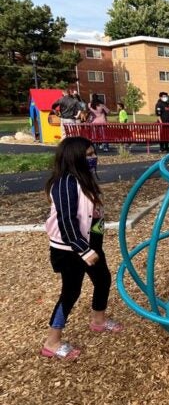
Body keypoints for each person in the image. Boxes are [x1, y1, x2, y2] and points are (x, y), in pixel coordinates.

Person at [41, 137, 123, 360]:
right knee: (71, 291)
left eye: (93, 153)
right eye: (88, 155)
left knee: (103, 279)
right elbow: (66, 222)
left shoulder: (83, 180)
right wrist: (83, 250)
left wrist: (94, 244)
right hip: (70, 248)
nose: (93, 157)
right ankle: (52, 342)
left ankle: (98, 320)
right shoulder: (65, 183)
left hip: (89, 244)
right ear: (74, 158)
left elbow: (91, 215)